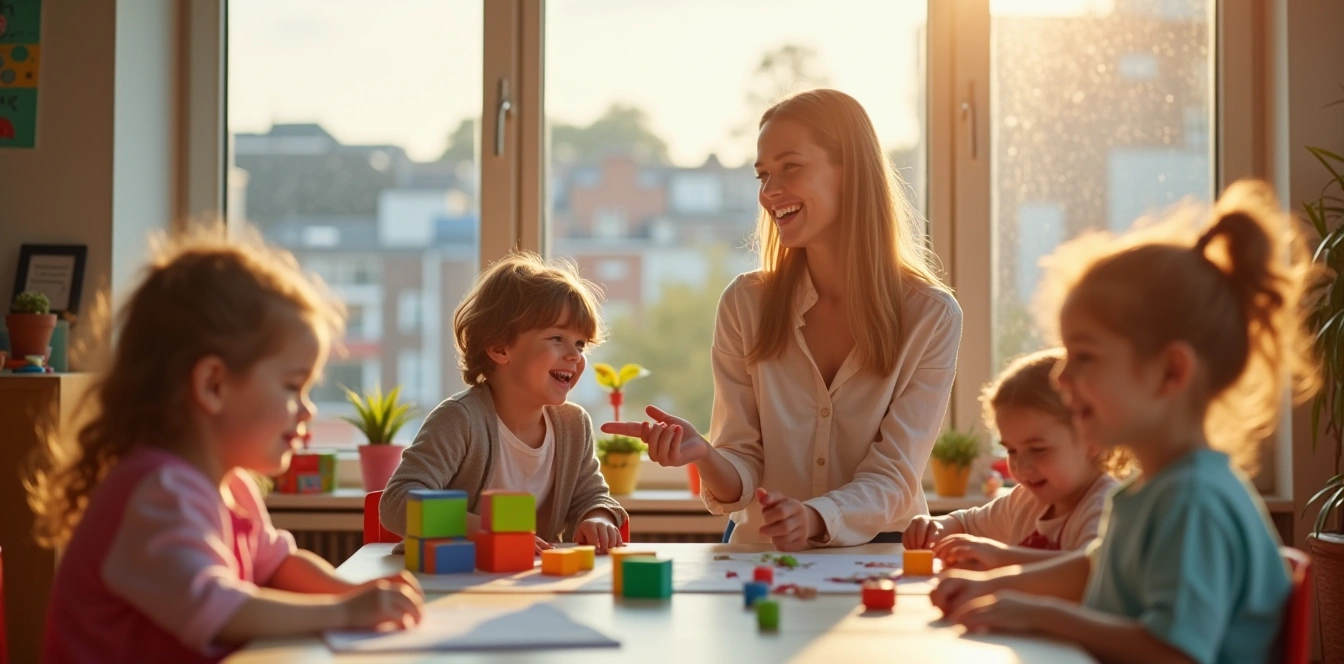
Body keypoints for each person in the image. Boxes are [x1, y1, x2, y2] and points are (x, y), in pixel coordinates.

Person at [932, 180, 1316, 664]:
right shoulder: (1152, 488)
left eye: (1085, 356)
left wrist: (1038, 613)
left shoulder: (1193, 501)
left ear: (1171, 372)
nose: (1062, 376)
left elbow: (1176, 652)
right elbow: (1095, 570)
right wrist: (992, 585)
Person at [30, 225, 424, 664]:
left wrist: (354, 590)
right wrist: (344, 611)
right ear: (213, 384)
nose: (308, 410)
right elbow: (216, 608)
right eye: (293, 386)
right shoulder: (158, 493)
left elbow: (277, 564)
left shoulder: (231, 487)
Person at [604, 88, 962, 549]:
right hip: (763, 556)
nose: (770, 192)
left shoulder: (930, 316)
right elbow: (742, 468)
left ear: (851, 171)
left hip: (877, 560)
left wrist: (814, 517)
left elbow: (894, 476)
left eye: (790, 167)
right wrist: (705, 456)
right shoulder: (745, 304)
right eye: (763, 174)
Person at [381, 252, 628, 552]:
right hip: (453, 582)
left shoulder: (573, 425)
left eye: (580, 344)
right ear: (500, 348)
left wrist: (598, 517)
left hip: (526, 584)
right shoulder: (460, 420)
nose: (575, 355)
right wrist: (484, 529)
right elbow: (397, 502)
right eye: (556, 338)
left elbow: (592, 497)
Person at [904, 348, 1121, 569]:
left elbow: (1089, 572)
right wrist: (936, 528)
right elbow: (966, 523)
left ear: (1093, 439)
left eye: (1037, 449)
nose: (1021, 465)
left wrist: (1000, 558)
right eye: (1011, 450)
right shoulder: (1025, 499)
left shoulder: (1109, 507)